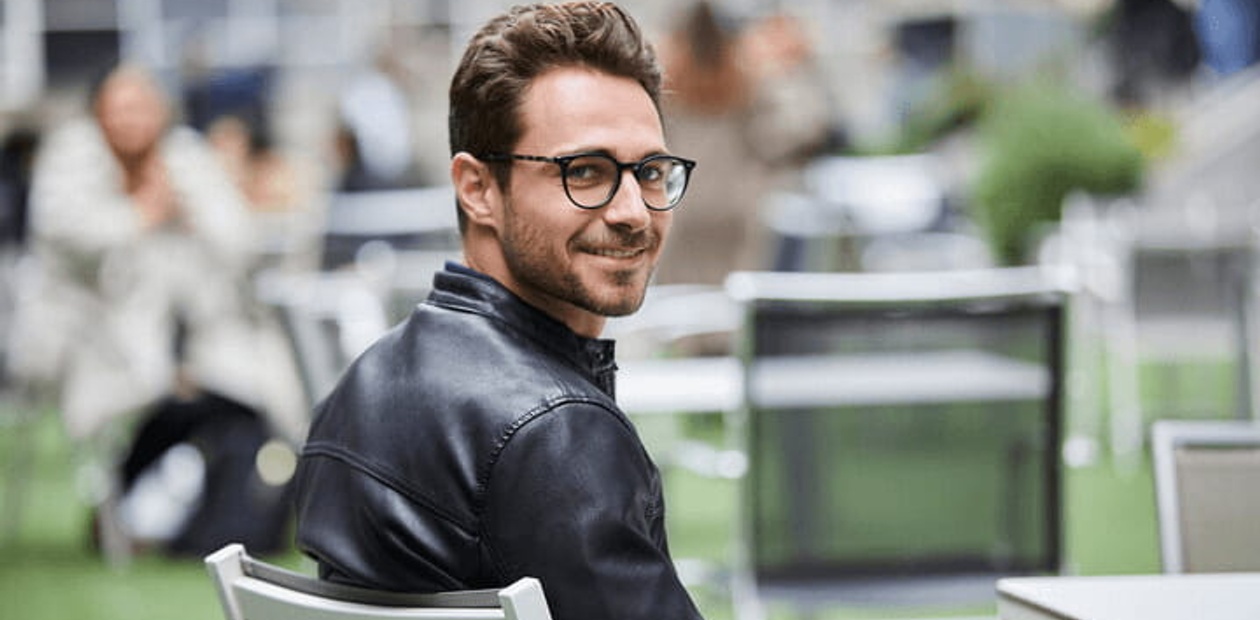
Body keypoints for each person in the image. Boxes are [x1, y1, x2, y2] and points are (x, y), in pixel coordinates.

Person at [292, 3, 703, 619]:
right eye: (585, 172)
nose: (634, 212)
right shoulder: (558, 432)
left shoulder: (363, 383)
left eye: (649, 171)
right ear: (477, 189)